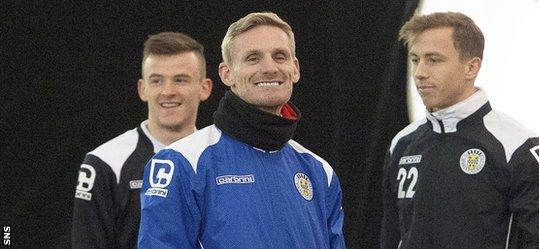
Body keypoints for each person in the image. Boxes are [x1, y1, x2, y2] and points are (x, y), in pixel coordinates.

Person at [138, 12, 346, 249]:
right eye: (253, 58)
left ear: (295, 69)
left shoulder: (320, 171)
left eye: (280, 56)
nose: (269, 68)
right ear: (227, 74)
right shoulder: (181, 163)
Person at [380, 12, 539, 248]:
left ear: (471, 67)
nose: (420, 72)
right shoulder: (402, 144)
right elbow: (391, 237)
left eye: (433, 60)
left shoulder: (518, 147)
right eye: (415, 59)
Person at [72, 32, 212, 249]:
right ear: (142, 88)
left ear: (205, 88)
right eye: (157, 80)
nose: (168, 91)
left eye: (180, 80)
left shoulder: (222, 160)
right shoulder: (104, 163)